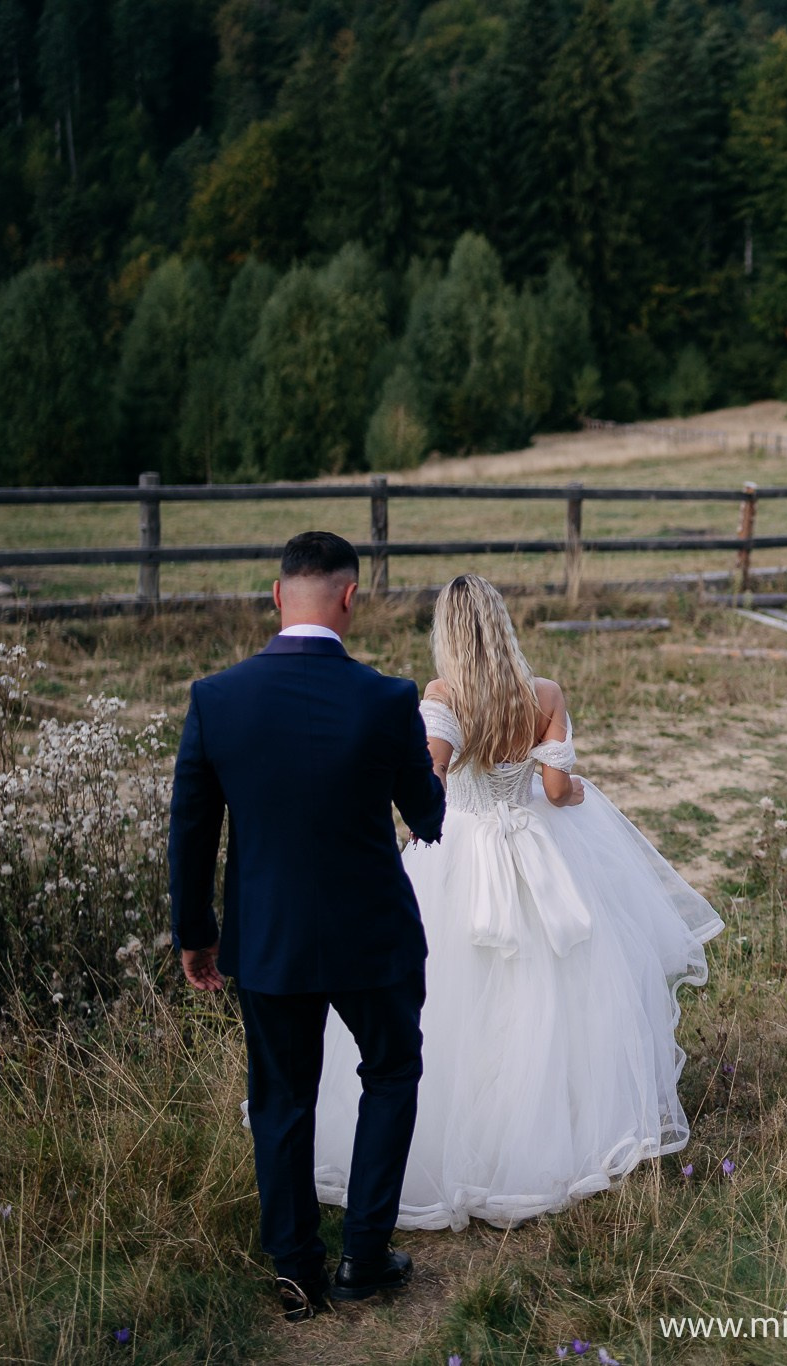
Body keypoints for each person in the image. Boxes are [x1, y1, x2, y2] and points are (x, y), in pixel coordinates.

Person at [310, 572, 722, 1232]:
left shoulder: (444, 698)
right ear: (502, 627)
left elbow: (429, 782)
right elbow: (557, 790)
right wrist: (572, 792)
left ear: (448, 634)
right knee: (552, 994)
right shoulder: (543, 695)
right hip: (536, 852)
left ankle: (460, 1143)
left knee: (451, 1000)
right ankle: (557, 1132)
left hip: (462, 857)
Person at [168, 531, 444, 1322]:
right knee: (390, 1076)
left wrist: (197, 933)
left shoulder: (216, 699)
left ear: (276, 593)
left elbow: (190, 829)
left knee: (282, 1099)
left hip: (269, 940)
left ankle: (296, 1273)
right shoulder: (388, 700)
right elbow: (425, 817)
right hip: (373, 939)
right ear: (351, 598)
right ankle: (363, 1255)